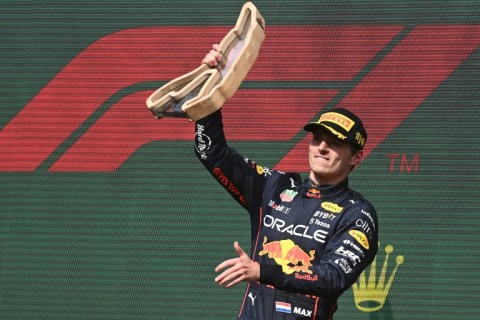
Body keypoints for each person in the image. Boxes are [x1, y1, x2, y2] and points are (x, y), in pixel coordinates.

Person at [194, 44, 379, 319]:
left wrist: (262, 271)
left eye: (335, 143)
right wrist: (211, 87)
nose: (321, 148)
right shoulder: (276, 187)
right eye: (317, 139)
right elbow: (212, 152)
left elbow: (332, 278)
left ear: (357, 157)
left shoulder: (357, 214)